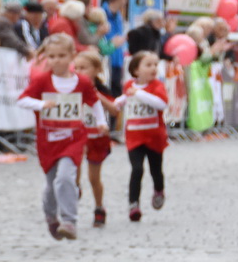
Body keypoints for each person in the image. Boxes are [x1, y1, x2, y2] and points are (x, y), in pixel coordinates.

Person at [16, 33, 100, 241]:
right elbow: (22, 100)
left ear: (72, 56)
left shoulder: (81, 82)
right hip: (48, 140)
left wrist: (102, 122)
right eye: (52, 56)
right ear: (46, 58)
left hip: (73, 139)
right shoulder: (42, 80)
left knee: (65, 179)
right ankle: (50, 215)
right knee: (52, 183)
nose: (57, 60)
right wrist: (41, 104)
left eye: (62, 55)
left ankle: (70, 221)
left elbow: (94, 101)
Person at [117, 50, 169, 221]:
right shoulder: (129, 86)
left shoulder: (157, 86)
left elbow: (161, 104)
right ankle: (133, 204)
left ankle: (159, 189)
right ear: (136, 70)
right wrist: (118, 102)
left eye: (156, 64)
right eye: (148, 65)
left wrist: (138, 94)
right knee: (137, 169)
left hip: (154, 137)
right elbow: (125, 99)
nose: (154, 68)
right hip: (134, 136)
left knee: (156, 170)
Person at [73, 49, 117, 228]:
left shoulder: (101, 90)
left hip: (97, 138)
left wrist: (95, 95)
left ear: (97, 70)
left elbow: (115, 110)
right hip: (77, 137)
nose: (79, 71)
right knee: (73, 170)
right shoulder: (71, 89)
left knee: (94, 178)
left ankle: (99, 208)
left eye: (84, 68)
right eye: (76, 68)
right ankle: (74, 190)